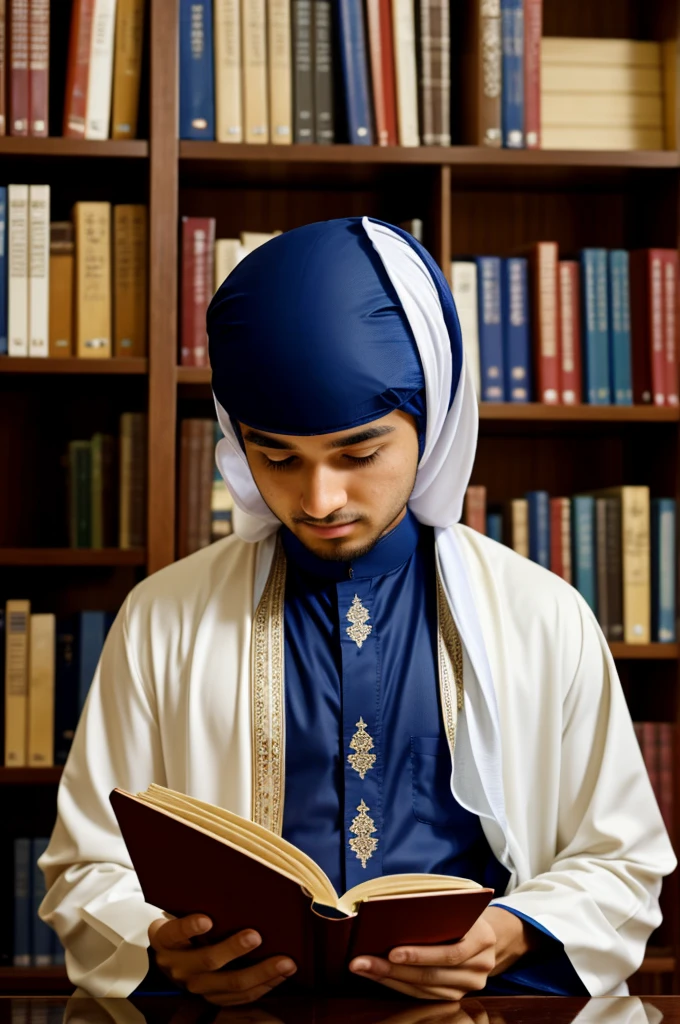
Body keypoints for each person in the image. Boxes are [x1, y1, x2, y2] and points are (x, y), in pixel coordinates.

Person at [39, 217, 675, 1005]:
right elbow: (85, 869)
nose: (319, 499)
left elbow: (623, 864)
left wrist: (513, 932)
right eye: (277, 458)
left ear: (432, 420)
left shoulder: (543, 618)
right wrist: (157, 946)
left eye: (359, 454)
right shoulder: (162, 619)